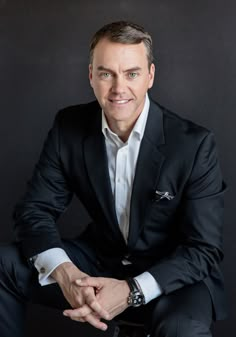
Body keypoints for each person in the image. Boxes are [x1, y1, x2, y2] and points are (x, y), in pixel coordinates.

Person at [0, 21, 227, 337]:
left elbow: (203, 249)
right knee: (4, 263)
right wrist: (66, 274)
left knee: (182, 330)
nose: (119, 88)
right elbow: (34, 210)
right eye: (106, 74)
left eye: (131, 74)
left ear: (150, 76)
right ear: (91, 76)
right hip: (98, 263)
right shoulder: (69, 127)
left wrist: (131, 290)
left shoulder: (193, 144)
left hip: (172, 277)